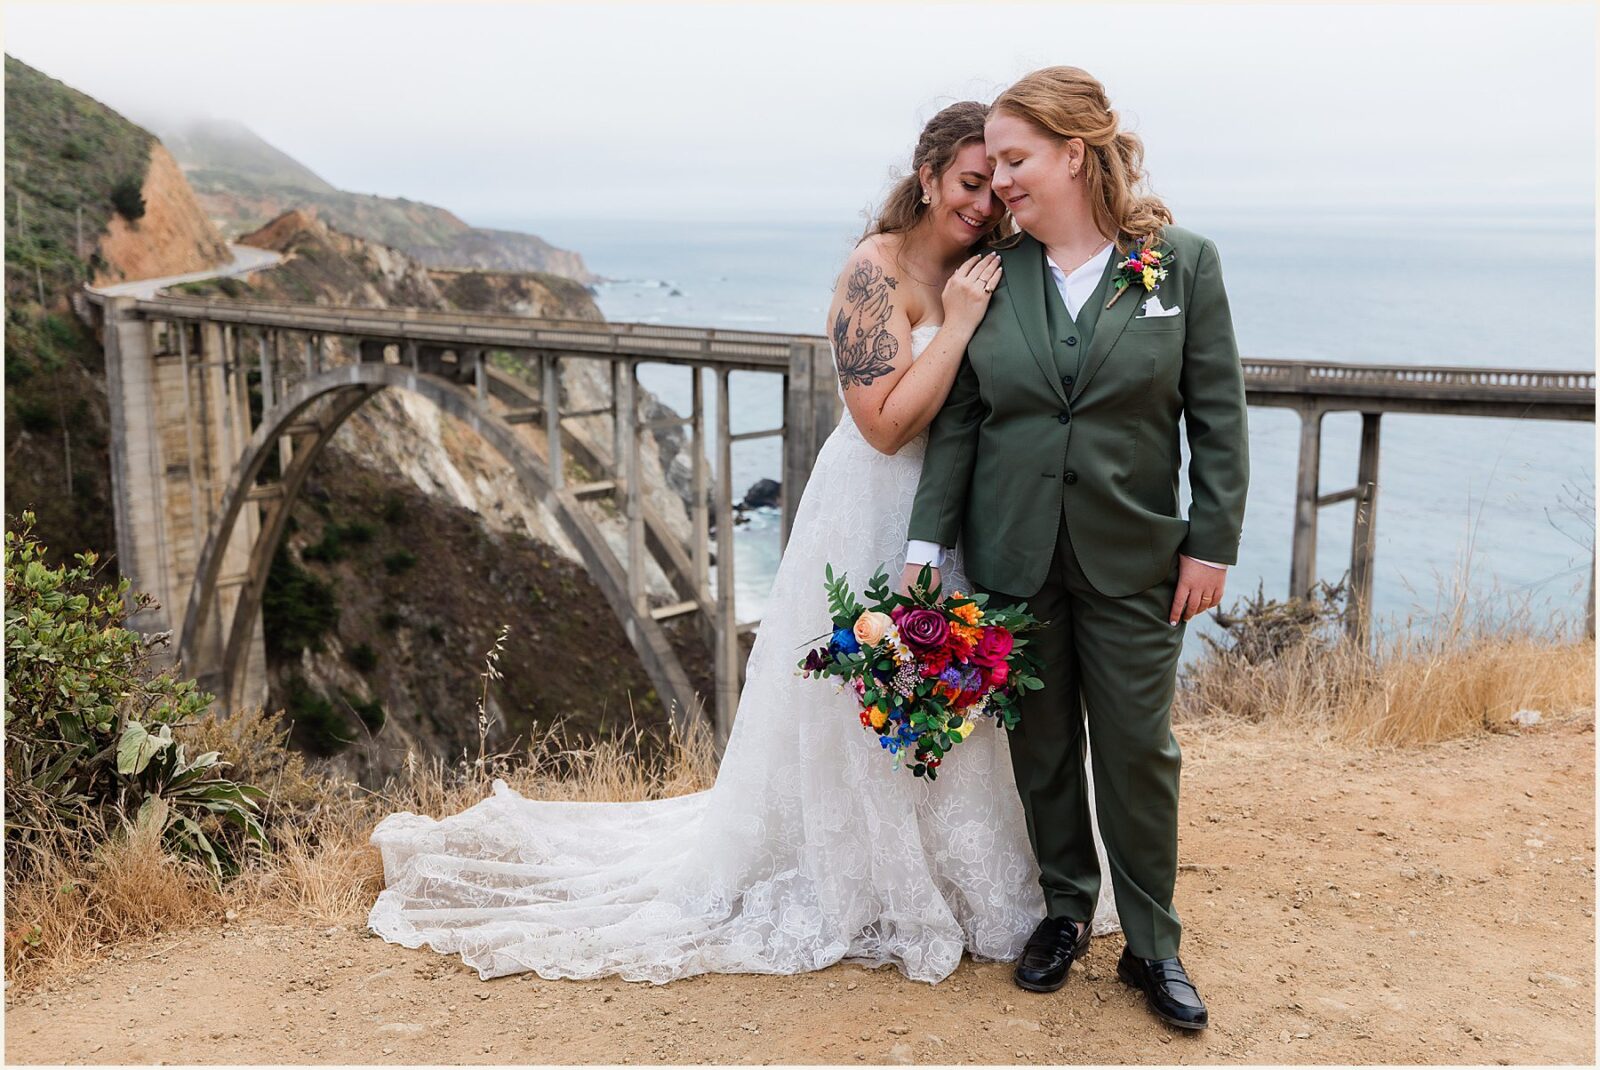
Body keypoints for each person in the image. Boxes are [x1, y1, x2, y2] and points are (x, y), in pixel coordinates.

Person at [367, 101, 1119, 986]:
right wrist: (953, 325)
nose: (985, 204)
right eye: (967, 184)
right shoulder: (873, 275)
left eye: (996, 187)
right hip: (873, 504)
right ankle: (863, 878)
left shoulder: (998, 264)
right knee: (867, 692)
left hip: (964, 511)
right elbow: (880, 426)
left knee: (960, 686)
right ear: (926, 179)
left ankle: (971, 876)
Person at [902, 68, 1249, 1027]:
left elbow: (1217, 418)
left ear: (1074, 153)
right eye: (993, 164)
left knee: (1138, 751)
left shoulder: (1183, 265)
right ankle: (1063, 910)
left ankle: (1152, 946)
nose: (1002, 181)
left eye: (1016, 161)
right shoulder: (991, 277)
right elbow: (962, 424)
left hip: (1137, 556)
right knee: (1041, 748)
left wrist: (1209, 544)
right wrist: (927, 543)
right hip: (1014, 552)